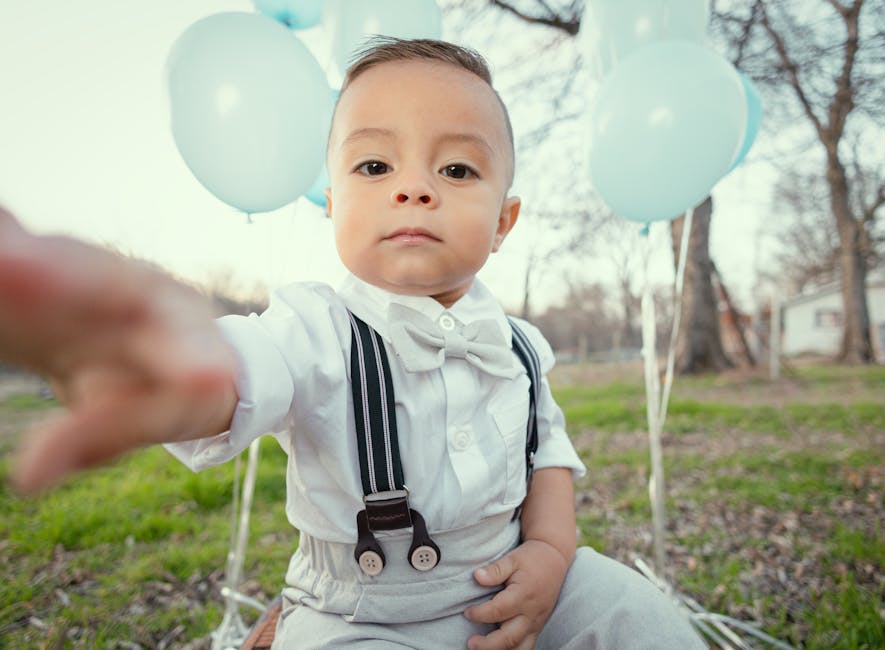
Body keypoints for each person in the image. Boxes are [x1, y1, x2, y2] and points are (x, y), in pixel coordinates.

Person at [0, 37, 704, 649]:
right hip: (361, 614)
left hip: (513, 581)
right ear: (332, 203)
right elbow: (247, 369)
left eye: (457, 169)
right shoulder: (315, 328)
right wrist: (187, 374)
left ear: (503, 221)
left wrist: (552, 553)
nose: (415, 189)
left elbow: (546, 458)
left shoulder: (521, 346)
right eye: (375, 167)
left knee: (642, 621)